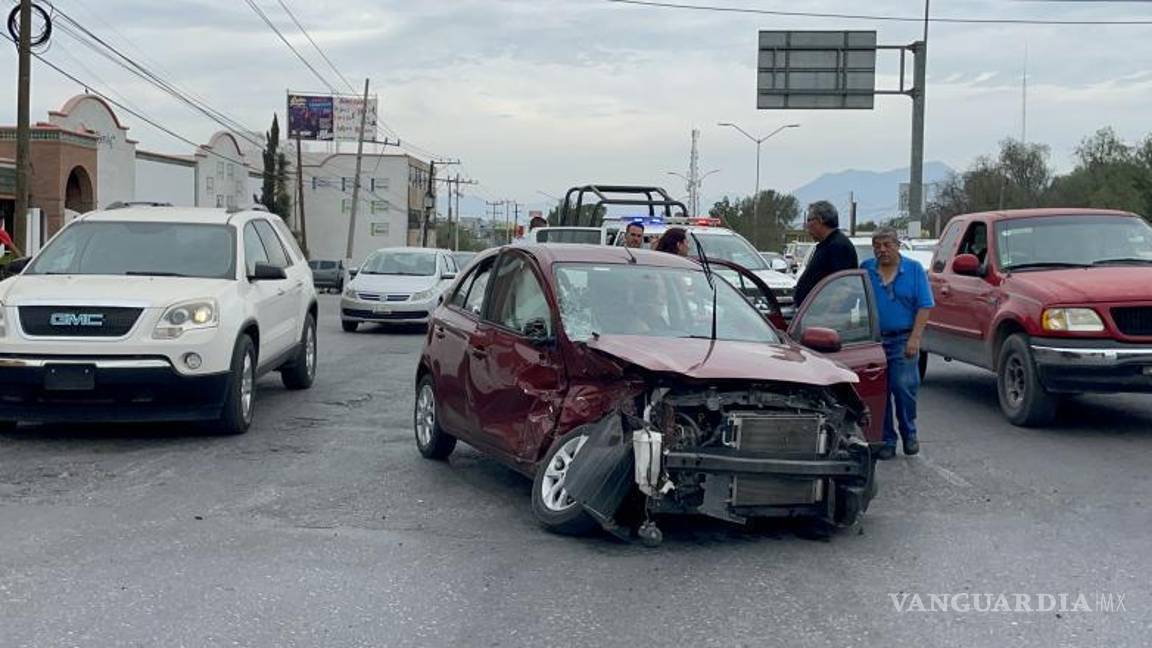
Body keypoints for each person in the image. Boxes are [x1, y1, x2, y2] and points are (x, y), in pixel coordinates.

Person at [861, 228, 934, 460]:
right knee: (879, 392)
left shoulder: (913, 270)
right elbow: (852, 297)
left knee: (903, 388)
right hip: (874, 339)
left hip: (904, 338)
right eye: (877, 245)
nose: (882, 250)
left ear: (897, 245)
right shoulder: (866, 269)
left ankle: (908, 432)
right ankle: (887, 440)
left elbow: (925, 306)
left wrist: (915, 338)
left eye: (886, 245)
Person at [793, 201, 857, 306]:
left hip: (827, 317)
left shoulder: (838, 246)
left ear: (820, 220)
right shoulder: (826, 244)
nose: (806, 226)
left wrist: (828, 312)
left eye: (809, 220)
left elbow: (842, 286)